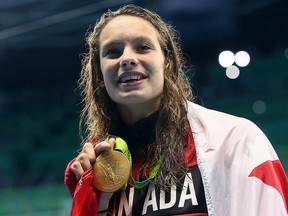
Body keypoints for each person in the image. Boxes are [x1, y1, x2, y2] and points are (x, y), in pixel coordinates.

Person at [64, 4, 287, 216]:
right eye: (113, 52)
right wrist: (94, 205)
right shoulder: (96, 169)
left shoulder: (234, 141)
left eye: (143, 47)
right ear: (100, 73)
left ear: (167, 63)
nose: (127, 59)